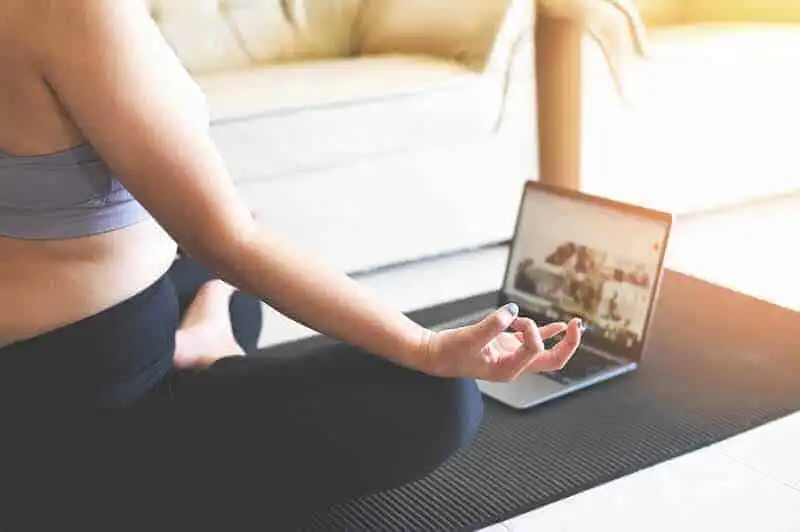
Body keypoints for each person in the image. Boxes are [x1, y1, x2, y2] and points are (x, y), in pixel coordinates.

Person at [0, 0, 583, 528]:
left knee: (231, 293)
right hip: (84, 417)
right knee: (441, 399)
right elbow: (229, 239)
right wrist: (426, 349)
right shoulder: (74, 11)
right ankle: (202, 369)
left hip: (51, 359)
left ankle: (202, 353)